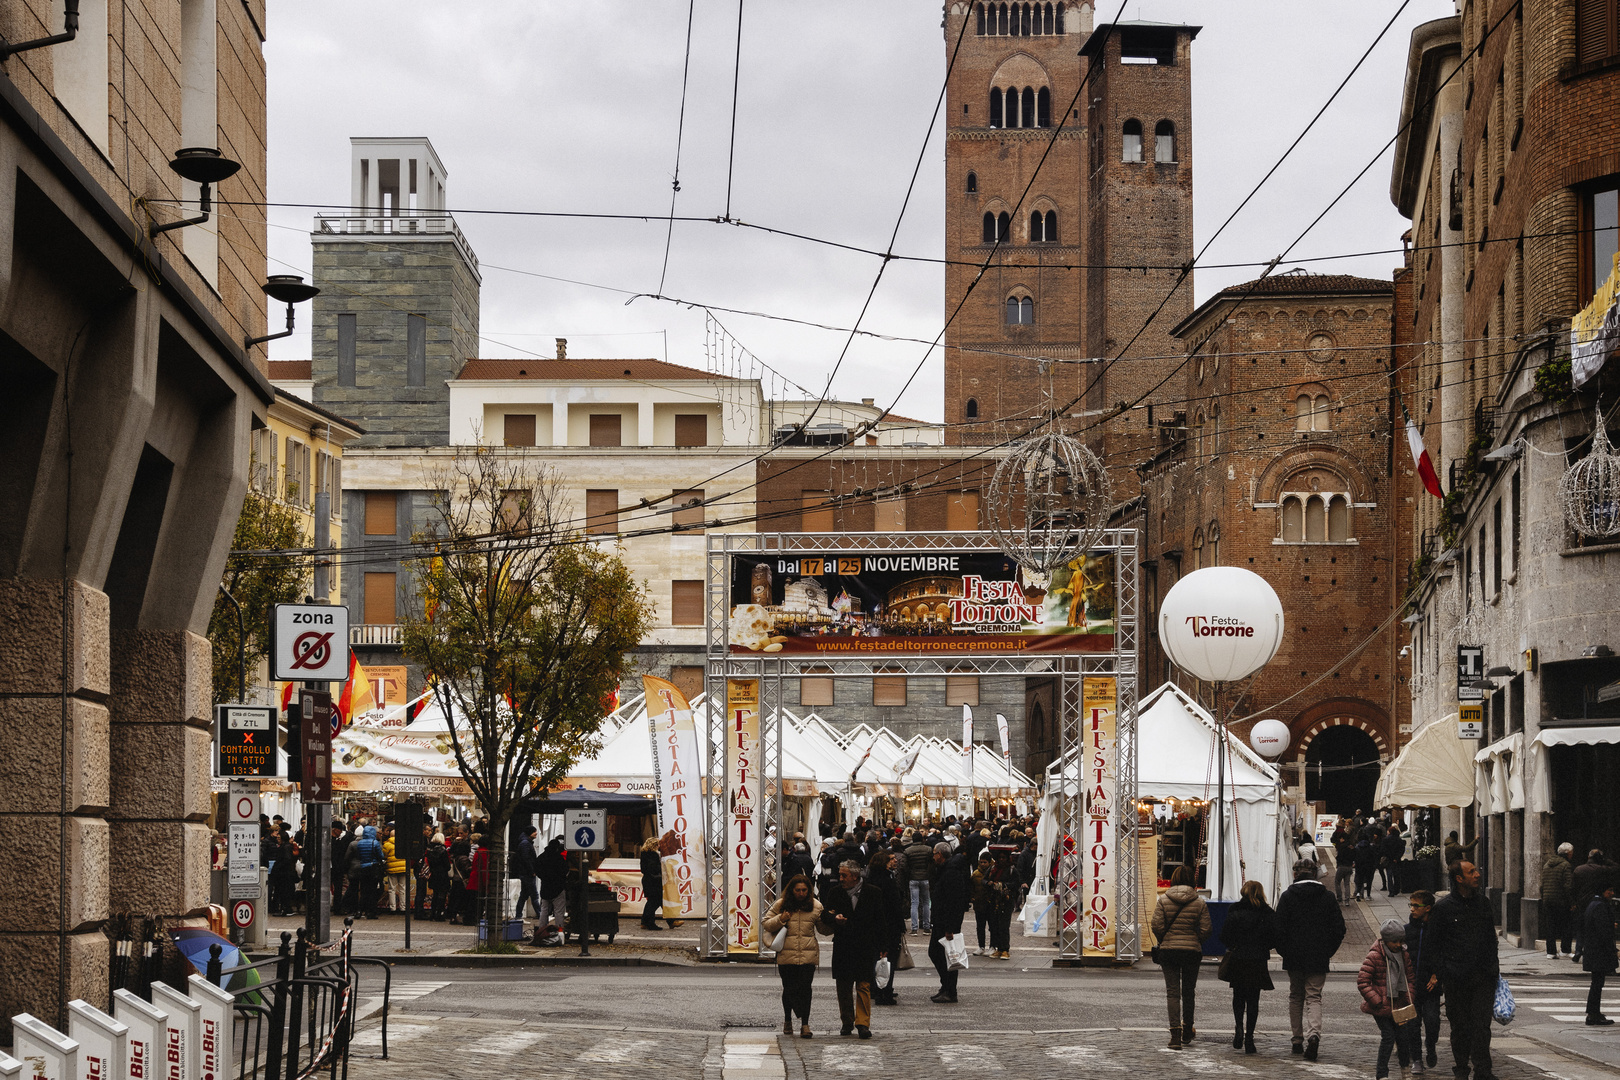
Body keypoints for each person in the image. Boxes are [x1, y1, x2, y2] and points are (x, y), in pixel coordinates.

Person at [1417, 861, 1498, 1080]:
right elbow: (1432, 946)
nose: (1478, 875)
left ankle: (1483, 1071)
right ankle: (1461, 1068)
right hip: (1456, 979)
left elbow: (1491, 939)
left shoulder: (1483, 903)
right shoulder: (1443, 909)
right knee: (1460, 1027)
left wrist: (1493, 971)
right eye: (1472, 872)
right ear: (1459, 879)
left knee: (1482, 1027)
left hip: (1482, 977)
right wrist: (1444, 971)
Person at [1276, 857, 1346, 1061]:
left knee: (1296, 996)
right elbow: (1339, 929)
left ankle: (1297, 1039)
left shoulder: (1288, 896)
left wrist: (1285, 951)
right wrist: (1327, 951)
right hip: (1318, 955)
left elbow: (1278, 929)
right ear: (1315, 873)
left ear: (1296, 874)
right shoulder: (1327, 897)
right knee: (1314, 997)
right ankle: (1313, 1034)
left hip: (1294, 955)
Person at [819, 860, 889, 1039]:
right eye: (840, 874)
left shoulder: (873, 892)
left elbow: (880, 919)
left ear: (855, 877)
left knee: (864, 985)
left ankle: (863, 1023)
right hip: (843, 944)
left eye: (844, 875)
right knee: (843, 986)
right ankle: (847, 1021)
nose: (840, 878)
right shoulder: (835, 892)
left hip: (865, 944)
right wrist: (835, 918)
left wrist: (883, 945)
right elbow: (825, 914)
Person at [1150, 864, 1211, 1050]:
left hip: (1169, 951)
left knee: (1173, 992)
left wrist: (1165, 939)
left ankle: (1174, 1034)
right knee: (1189, 991)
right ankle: (1187, 1030)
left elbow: (1156, 926)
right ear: (1192, 881)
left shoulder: (1163, 900)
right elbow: (1206, 929)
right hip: (1191, 951)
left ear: (1174, 880)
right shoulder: (1199, 902)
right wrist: (1195, 940)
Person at [1219, 879, 1277, 1055]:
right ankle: (1250, 1037)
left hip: (1238, 957)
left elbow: (1224, 936)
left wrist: (1234, 945)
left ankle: (1238, 1026)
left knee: (1238, 995)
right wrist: (1263, 947)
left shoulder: (1235, 910)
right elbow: (1274, 936)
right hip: (1257, 958)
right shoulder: (1267, 912)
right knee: (1253, 1000)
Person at [763, 874, 823, 1038]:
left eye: (804, 890)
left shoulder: (816, 906)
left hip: (807, 954)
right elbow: (766, 923)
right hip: (786, 954)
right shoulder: (781, 904)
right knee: (789, 989)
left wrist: (833, 921)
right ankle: (788, 1019)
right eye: (798, 890)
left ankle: (805, 1024)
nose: (801, 893)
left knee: (805, 989)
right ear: (792, 890)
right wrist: (781, 919)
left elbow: (823, 929)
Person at [1359, 920, 1420, 1079]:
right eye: (1395, 941)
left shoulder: (1403, 955)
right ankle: (1382, 1074)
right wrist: (1377, 1001)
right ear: (1385, 940)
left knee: (1403, 1039)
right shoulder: (1375, 955)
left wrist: (1409, 996)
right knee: (1388, 1037)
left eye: (1401, 941)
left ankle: (1405, 1070)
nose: (1398, 944)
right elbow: (1363, 981)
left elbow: (1410, 979)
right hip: (1381, 1007)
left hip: (1399, 1005)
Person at [928, 842, 970, 1004]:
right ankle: (946, 986)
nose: (933, 856)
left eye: (934, 853)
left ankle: (950, 989)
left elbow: (954, 902)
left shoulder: (951, 873)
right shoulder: (946, 870)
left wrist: (950, 927)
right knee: (939, 954)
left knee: (947, 956)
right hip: (941, 920)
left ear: (940, 854)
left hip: (947, 922)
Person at [1405, 890, 1442, 1070]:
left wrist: (1437, 975)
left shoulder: (1436, 929)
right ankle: (1417, 1060)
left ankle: (1431, 1046)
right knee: (1412, 1025)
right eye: (1410, 905)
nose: (1412, 909)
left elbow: (1443, 955)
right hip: (1411, 987)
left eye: (1415, 905)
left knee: (1432, 1021)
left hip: (1430, 987)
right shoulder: (1406, 930)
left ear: (1427, 908)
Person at [866, 850, 907, 1006]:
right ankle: (885, 990)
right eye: (890, 859)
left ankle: (877, 987)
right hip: (889, 925)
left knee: (878, 957)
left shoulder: (872, 878)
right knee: (888, 959)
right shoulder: (887, 880)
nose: (894, 861)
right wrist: (900, 924)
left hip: (876, 924)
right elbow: (894, 905)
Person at [1581, 882, 1617, 1026]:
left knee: (1596, 983)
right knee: (1597, 984)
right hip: (1598, 952)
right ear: (1603, 891)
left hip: (1593, 950)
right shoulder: (1600, 906)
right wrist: (1614, 951)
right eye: (1610, 890)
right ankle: (1593, 1014)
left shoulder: (1593, 904)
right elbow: (1604, 932)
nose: (1612, 893)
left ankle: (1593, 1012)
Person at [1572, 849, 1616, 963]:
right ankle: (1587, 951)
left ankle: (1578, 950)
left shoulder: (1578, 869)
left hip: (1581, 902)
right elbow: (1616, 868)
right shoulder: (1600, 869)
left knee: (1581, 928)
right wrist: (1605, 860)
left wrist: (1574, 902)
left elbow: (1573, 887)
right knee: (1594, 929)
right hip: (1594, 902)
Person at [1541, 843, 1576, 958]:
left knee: (1550, 926)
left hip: (1548, 900)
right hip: (1561, 901)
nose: (1572, 855)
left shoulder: (1547, 865)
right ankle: (1565, 950)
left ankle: (1550, 952)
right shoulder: (1566, 865)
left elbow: (1542, 885)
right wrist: (1571, 902)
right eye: (1571, 853)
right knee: (1567, 925)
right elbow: (1568, 886)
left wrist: (1544, 897)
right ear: (1567, 853)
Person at [536, 837, 569, 935]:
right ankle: (559, 933)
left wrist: (544, 877)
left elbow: (537, 869)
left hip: (545, 887)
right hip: (558, 888)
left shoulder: (541, 857)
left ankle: (541, 931)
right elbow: (565, 870)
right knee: (559, 912)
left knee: (544, 910)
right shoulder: (558, 858)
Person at [903, 831, 934, 933]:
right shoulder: (928, 849)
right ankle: (926, 926)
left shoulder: (908, 851)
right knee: (926, 902)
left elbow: (905, 866)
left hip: (913, 878)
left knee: (914, 903)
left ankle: (914, 928)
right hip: (925, 877)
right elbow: (931, 864)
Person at [512, 826, 541, 919]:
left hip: (525, 873)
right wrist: (532, 871)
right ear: (530, 833)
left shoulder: (525, 842)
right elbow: (526, 859)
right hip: (527, 874)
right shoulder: (525, 844)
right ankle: (540, 914)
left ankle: (518, 915)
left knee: (524, 895)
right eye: (534, 831)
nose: (536, 833)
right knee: (534, 895)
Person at [639, 836, 666, 930]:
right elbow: (654, 868)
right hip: (654, 881)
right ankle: (649, 923)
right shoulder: (653, 855)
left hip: (647, 880)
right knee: (654, 902)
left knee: (652, 901)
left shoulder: (644, 853)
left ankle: (645, 922)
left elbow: (644, 869)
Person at [425, 833, 451, 920]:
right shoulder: (443, 850)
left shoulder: (429, 849)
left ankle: (432, 913)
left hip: (434, 873)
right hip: (442, 874)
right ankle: (439, 913)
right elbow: (447, 865)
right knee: (442, 894)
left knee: (435, 894)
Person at [381, 826, 406, 913]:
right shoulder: (403, 843)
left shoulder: (387, 844)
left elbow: (384, 855)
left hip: (392, 869)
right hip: (403, 868)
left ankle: (393, 908)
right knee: (403, 888)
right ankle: (403, 907)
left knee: (392, 889)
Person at [1382, 825, 1407, 897]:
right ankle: (1396, 889)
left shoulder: (1385, 840)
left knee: (1389, 876)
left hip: (1389, 860)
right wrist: (1396, 858)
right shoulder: (1399, 840)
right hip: (1397, 860)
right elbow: (1402, 850)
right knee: (1396, 875)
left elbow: (1384, 850)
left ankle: (1391, 891)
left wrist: (1390, 857)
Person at [1333, 827, 1356, 905]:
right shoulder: (1351, 846)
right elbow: (1354, 856)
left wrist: (1337, 863)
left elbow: (1339, 857)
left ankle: (1339, 898)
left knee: (1337, 882)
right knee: (1347, 884)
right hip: (1349, 866)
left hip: (1342, 866)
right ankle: (1347, 901)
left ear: (1342, 838)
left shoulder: (1341, 847)